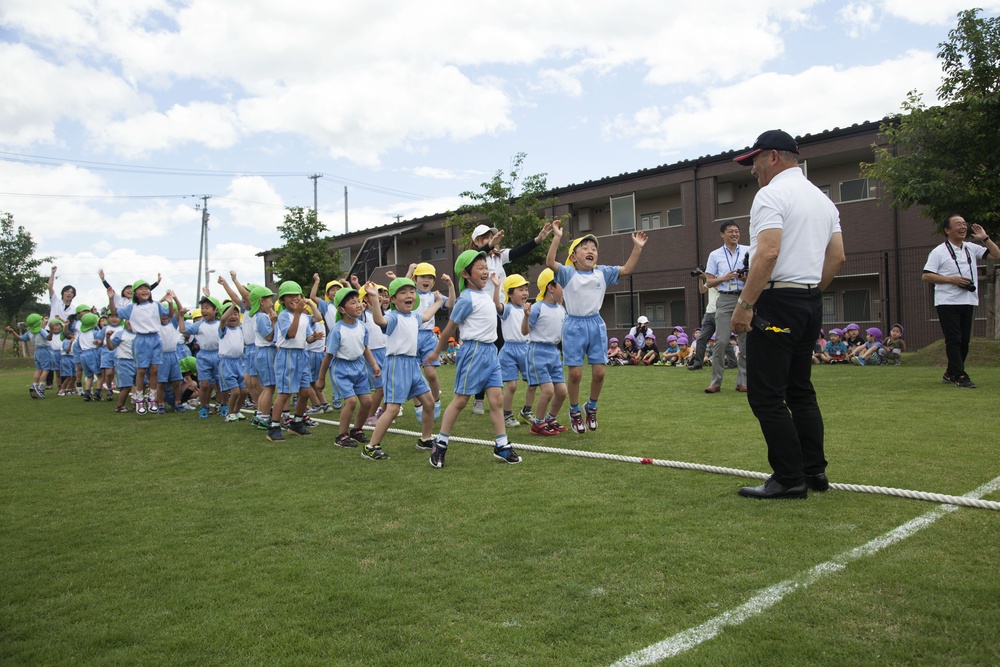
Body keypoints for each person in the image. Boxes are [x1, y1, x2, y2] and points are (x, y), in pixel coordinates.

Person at [729, 129, 845, 500]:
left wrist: (745, 305)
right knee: (800, 391)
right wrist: (809, 293)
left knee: (766, 396)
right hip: (810, 300)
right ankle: (815, 472)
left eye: (755, 161)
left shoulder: (772, 194)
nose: (753, 170)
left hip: (777, 302)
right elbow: (837, 257)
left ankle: (788, 477)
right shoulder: (824, 201)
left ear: (774, 157)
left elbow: (767, 253)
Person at [546, 221, 647, 433]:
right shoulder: (568, 273)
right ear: (574, 257)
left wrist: (637, 247)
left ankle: (591, 408)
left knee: (600, 373)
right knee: (575, 374)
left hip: (596, 324)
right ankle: (574, 411)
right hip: (573, 325)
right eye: (585, 248)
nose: (591, 251)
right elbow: (550, 262)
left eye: (594, 249)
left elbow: (627, 269)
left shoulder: (602, 272)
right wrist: (556, 237)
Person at [425, 250, 522, 466]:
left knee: (496, 399)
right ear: (466, 274)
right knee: (461, 400)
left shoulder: (485, 295)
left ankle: (502, 445)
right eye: (480, 268)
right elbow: (450, 327)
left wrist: (497, 287)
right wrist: (437, 350)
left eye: (486, 267)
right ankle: (440, 444)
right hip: (473, 352)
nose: (485, 272)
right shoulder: (465, 299)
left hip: (491, 353)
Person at [467, 221, 554, 414]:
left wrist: (538, 239)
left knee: (501, 354)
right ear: (476, 241)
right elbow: (478, 254)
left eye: (492, 236)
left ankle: (501, 399)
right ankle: (479, 399)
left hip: (503, 311)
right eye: (487, 237)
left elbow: (517, 252)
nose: (492, 239)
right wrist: (490, 245)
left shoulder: (498, 258)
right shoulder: (474, 260)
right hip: (484, 313)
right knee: (486, 355)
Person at [364, 277, 443, 459]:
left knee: (429, 402)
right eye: (403, 293)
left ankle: (425, 439)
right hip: (396, 365)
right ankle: (371, 447)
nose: (409, 296)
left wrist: (438, 301)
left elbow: (426, 315)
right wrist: (375, 299)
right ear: (392, 299)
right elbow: (379, 320)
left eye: (411, 292)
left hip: (413, 365)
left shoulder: (414, 317)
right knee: (392, 408)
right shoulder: (392, 317)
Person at [922, 213, 1000, 387]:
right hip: (947, 302)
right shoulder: (939, 251)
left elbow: (996, 255)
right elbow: (926, 276)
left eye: (964, 223)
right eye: (958, 224)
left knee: (964, 341)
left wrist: (984, 238)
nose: (963, 227)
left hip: (968, 300)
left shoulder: (971, 247)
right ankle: (960, 375)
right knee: (954, 339)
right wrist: (952, 279)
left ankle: (950, 372)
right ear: (947, 230)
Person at [316, 287, 380, 448]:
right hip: (341, 369)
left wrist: (373, 365)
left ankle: (356, 430)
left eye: (358, 301)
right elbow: (328, 356)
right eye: (353, 302)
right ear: (342, 310)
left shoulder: (362, 326)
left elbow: (365, 348)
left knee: (367, 402)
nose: (359, 305)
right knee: (351, 401)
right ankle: (341, 435)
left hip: (359, 367)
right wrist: (321, 379)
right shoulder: (337, 330)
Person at [703, 220, 750, 393]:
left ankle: (743, 381)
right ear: (722, 234)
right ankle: (715, 382)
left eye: (737, 231)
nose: (735, 234)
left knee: (745, 342)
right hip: (724, 299)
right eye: (731, 231)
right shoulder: (715, 255)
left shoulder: (748, 250)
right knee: (721, 341)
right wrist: (724, 277)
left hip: (744, 298)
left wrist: (745, 278)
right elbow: (709, 282)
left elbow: (755, 274)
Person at [108, 279, 168, 414]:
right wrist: (111, 298)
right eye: (141, 288)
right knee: (141, 371)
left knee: (154, 369)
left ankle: (152, 397)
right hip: (141, 339)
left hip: (155, 338)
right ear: (135, 292)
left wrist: (170, 303)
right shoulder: (132, 307)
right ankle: (139, 399)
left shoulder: (156, 305)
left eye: (147, 288)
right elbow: (115, 312)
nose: (145, 290)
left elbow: (168, 315)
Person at [523, 268, 569, 436]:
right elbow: (524, 331)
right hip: (538, 351)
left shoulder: (561, 309)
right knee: (548, 390)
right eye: (562, 286)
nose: (564, 290)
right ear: (551, 287)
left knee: (562, 391)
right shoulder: (537, 308)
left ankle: (550, 419)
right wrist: (526, 316)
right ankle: (538, 423)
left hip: (554, 352)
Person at [408, 262, 455, 422]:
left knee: (431, 374)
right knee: (413, 376)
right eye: (423, 276)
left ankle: (436, 401)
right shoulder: (411, 292)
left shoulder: (435, 296)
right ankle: (418, 406)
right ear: (415, 279)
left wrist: (450, 285)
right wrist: (409, 271)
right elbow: (400, 287)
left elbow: (451, 303)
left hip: (428, 337)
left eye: (430, 277)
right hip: (411, 336)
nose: (426, 280)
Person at [498, 274, 538, 427]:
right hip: (509, 350)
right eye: (520, 289)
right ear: (509, 293)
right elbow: (497, 304)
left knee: (533, 382)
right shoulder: (507, 308)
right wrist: (496, 287)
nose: (525, 293)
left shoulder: (528, 309)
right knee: (512, 385)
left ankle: (526, 411)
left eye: (526, 289)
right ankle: (507, 414)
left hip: (526, 349)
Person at [7, 314, 52, 398]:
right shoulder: (41, 331)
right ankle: (41, 388)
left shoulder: (29, 332)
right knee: (45, 370)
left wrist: (12, 331)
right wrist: (52, 330)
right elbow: (49, 338)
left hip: (37, 351)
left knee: (38, 370)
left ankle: (34, 385)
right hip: (45, 350)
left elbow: (20, 338)